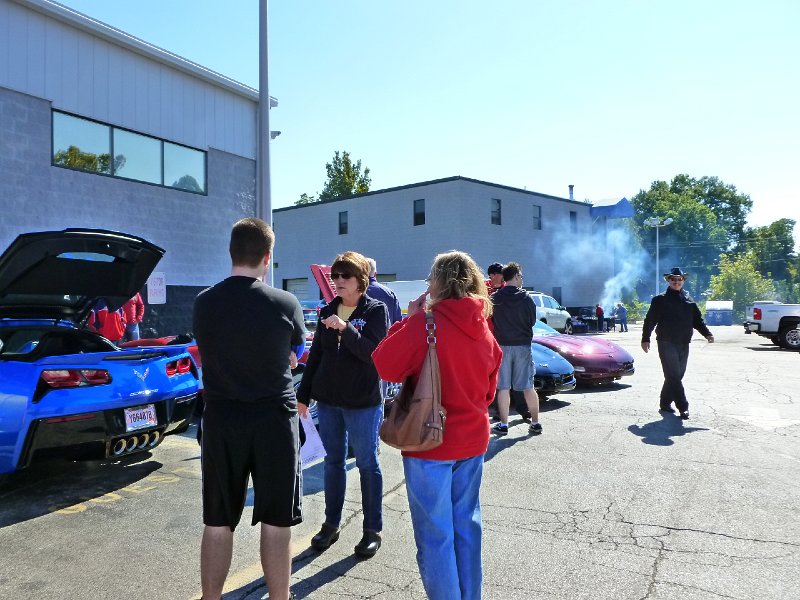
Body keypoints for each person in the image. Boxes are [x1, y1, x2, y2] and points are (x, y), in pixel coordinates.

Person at [372, 250, 502, 600]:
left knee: (436, 535)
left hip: (430, 442)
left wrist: (406, 320)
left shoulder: (425, 323)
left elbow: (384, 365)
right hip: (473, 440)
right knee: (467, 530)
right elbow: (489, 390)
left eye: (430, 278)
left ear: (439, 283)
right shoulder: (483, 327)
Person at [192, 218, 306, 600]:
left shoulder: (204, 303)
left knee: (217, 520)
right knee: (276, 520)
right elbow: (295, 351)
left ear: (231, 252)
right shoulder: (285, 303)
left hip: (222, 419)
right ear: (267, 257)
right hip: (274, 419)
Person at [296, 251, 389, 558]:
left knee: (367, 464)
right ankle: (330, 524)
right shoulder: (327, 310)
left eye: (344, 277)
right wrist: (303, 395)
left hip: (362, 402)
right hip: (330, 401)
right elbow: (317, 357)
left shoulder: (375, 310)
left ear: (361, 280)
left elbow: (373, 354)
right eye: (334, 276)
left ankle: (371, 529)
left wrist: (346, 329)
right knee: (333, 463)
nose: (337, 282)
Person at [641, 267, 714, 420]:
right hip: (666, 342)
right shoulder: (660, 300)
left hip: (684, 342)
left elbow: (697, 321)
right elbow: (650, 320)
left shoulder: (688, 300)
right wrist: (645, 338)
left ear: (683, 281)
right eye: (673, 279)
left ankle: (665, 402)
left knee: (677, 375)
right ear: (668, 281)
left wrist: (707, 333)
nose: (676, 282)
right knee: (673, 375)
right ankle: (683, 407)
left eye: (679, 279)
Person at [490, 262, 542, 435]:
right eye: (521, 276)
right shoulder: (527, 298)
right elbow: (532, 321)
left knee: (503, 387)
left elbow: (491, 320)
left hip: (502, 346)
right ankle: (535, 423)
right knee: (528, 386)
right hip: (523, 347)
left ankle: (503, 424)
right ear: (517, 276)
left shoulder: (495, 298)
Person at [366, 257, 403, 324]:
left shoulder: (357, 292)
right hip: (388, 333)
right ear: (375, 274)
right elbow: (398, 322)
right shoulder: (390, 293)